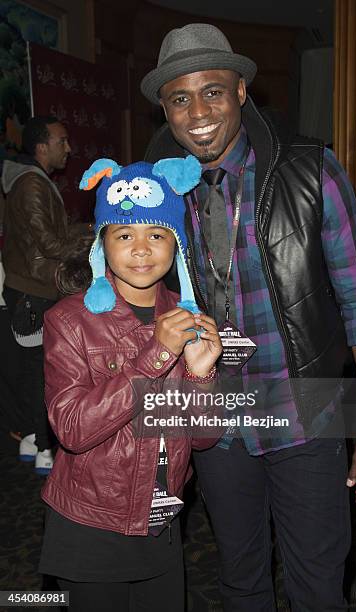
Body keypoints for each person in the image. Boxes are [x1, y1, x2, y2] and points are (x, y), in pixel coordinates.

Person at [141, 23, 356, 611]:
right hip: (215, 422)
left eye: (213, 92)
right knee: (240, 580)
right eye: (180, 98)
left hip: (306, 412)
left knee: (318, 586)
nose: (198, 112)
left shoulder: (311, 171)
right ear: (167, 111)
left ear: (242, 92)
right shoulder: (156, 194)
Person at [38, 155, 222, 612]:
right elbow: (72, 428)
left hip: (160, 520)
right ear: (102, 245)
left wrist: (202, 375)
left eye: (157, 235)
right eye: (125, 234)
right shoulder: (70, 320)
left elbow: (204, 437)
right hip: (90, 523)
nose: (142, 249)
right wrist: (155, 355)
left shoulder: (187, 317)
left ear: (176, 246)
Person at [1, 115, 84, 474]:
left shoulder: (32, 181)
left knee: (32, 371)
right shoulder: (32, 185)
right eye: (61, 141)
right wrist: (94, 239)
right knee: (40, 373)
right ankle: (45, 451)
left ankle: (31, 442)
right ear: (41, 146)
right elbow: (51, 244)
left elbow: (52, 234)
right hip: (34, 293)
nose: (68, 148)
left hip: (29, 289)